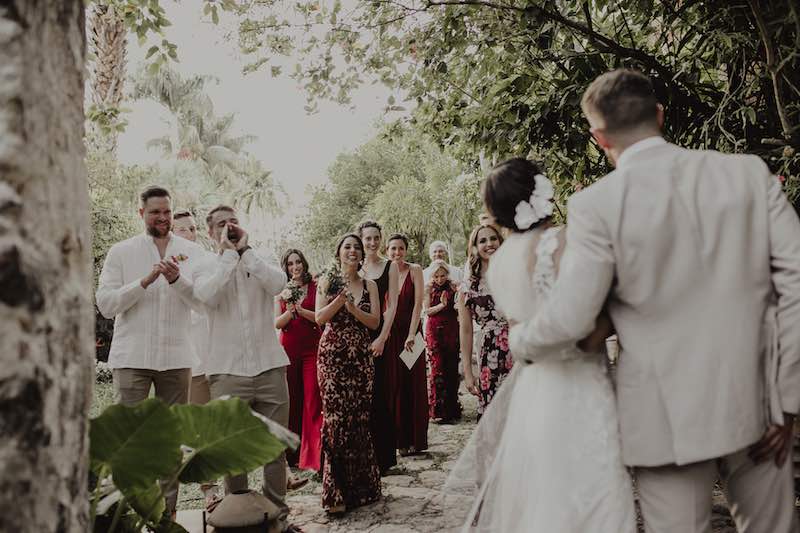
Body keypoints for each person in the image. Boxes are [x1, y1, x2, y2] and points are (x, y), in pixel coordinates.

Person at [510, 69, 800, 532]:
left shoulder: (597, 206)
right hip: (760, 403)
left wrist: (521, 338)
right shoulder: (747, 174)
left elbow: (573, 316)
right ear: (659, 115)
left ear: (598, 137)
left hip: (665, 419)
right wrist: (789, 399)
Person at [447, 158, 636, 532]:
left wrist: (524, 342)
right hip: (582, 385)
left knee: (544, 496)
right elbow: (587, 320)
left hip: (537, 390)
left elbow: (519, 326)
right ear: (540, 191)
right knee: (593, 492)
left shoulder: (500, 263)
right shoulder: (564, 241)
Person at [96, 186, 204, 515]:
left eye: (167, 212)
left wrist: (176, 281)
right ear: (141, 213)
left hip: (176, 358)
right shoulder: (121, 252)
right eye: (155, 211)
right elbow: (106, 304)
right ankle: (128, 514)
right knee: (128, 440)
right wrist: (143, 282)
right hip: (132, 358)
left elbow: (203, 303)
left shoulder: (193, 252)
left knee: (171, 442)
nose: (162, 218)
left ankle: (165, 516)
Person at [193, 205, 298, 533]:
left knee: (274, 450)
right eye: (222, 225)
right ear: (211, 233)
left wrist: (246, 252)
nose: (229, 228)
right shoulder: (204, 266)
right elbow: (207, 297)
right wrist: (228, 257)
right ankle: (240, 521)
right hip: (228, 372)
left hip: (269, 366)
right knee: (232, 452)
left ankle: (277, 521)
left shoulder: (260, 256)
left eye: (233, 222)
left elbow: (279, 283)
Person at [315, 233, 382, 514]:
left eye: (356, 247)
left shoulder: (370, 285)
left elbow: (375, 322)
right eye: (347, 247)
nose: (352, 251)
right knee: (335, 419)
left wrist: (353, 308)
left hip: (361, 359)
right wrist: (339, 301)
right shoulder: (327, 281)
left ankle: (362, 488)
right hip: (332, 358)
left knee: (358, 418)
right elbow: (319, 318)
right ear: (339, 252)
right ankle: (336, 492)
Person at [456, 223, 512, 419]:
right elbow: (465, 330)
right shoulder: (468, 286)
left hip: (521, 346)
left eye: (493, 238)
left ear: (501, 241)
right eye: (483, 240)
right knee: (494, 413)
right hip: (490, 354)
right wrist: (468, 373)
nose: (489, 244)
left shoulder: (515, 273)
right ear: (475, 248)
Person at [275, 249, 323, 474]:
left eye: (298, 262)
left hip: (312, 347)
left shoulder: (316, 286)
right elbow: (277, 323)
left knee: (313, 398)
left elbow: (321, 317)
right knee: (292, 400)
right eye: (290, 264)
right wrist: (290, 312)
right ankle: (293, 456)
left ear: (304, 263)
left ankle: (314, 455)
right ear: (285, 267)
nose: (295, 267)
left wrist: (301, 311)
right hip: (289, 348)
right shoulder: (281, 291)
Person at [357, 220, 399, 474]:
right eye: (367, 238)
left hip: (379, 335)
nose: (372, 243)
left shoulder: (389, 267)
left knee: (379, 395)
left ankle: (382, 457)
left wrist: (383, 337)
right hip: (355, 335)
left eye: (376, 238)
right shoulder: (353, 266)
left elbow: (391, 305)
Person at [384, 234, 428, 455]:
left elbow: (418, 303)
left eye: (401, 248)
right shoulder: (384, 271)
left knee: (414, 384)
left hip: (413, 334)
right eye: (393, 249)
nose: (397, 253)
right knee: (395, 385)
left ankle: (415, 440)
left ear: (406, 250)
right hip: (391, 335)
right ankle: (398, 441)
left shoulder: (415, 270)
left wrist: (412, 334)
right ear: (387, 250)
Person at [172, 210, 212, 405]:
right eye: (182, 229)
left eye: (193, 228)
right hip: (183, 356)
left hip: (212, 355)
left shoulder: (209, 259)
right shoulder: (167, 265)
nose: (190, 233)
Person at [423, 260, 461, 423]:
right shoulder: (428, 288)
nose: (440, 279)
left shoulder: (453, 287)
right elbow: (427, 311)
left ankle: (452, 409)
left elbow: (459, 307)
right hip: (434, 330)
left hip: (451, 329)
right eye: (437, 276)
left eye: (443, 275)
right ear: (432, 275)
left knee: (451, 368)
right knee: (437, 368)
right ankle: (438, 410)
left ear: (447, 274)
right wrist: (441, 305)